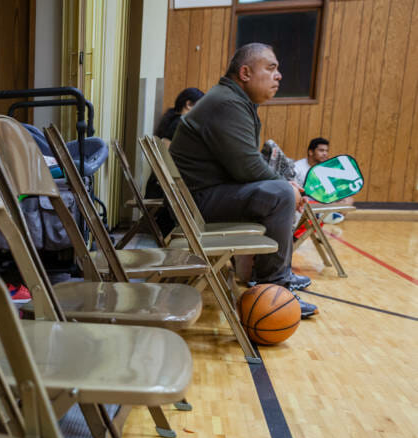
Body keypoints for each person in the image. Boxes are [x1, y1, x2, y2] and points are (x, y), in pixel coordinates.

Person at [169, 42, 318, 318]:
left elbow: (244, 166)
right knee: (280, 194)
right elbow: (247, 167)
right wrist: (288, 187)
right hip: (199, 204)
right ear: (246, 73)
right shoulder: (227, 102)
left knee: (279, 190)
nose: (279, 75)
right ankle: (274, 287)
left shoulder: (234, 100)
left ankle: (271, 275)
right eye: (271, 68)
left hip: (203, 197)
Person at [147, 87, 205, 235]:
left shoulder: (174, 121)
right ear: (189, 104)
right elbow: (166, 159)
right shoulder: (179, 123)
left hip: (160, 185)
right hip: (163, 188)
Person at [294, 137, 351, 224]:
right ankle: (326, 215)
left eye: (326, 151)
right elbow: (296, 194)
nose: (325, 153)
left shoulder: (326, 168)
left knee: (348, 199)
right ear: (310, 152)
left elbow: (334, 190)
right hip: (305, 200)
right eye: (321, 150)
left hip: (322, 199)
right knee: (332, 205)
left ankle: (322, 215)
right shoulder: (297, 167)